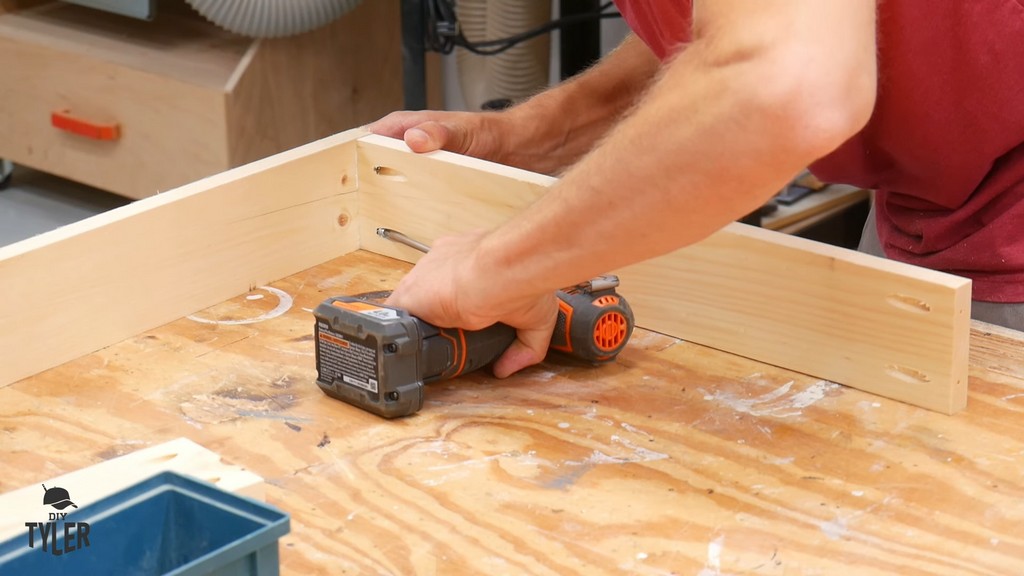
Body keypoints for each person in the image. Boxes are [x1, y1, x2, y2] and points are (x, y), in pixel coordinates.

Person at [368, 1, 1024, 379]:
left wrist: (492, 270)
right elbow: (732, 28)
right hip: (938, 189)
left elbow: (783, 85)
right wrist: (537, 135)